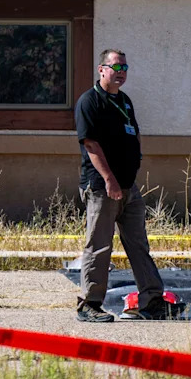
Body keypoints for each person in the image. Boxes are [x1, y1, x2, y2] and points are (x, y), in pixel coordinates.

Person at [73, 49, 170, 322]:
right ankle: (90, 304)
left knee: (138, 245)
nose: (121, 72)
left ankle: (152, 301)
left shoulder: (124, 101)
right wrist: (109, 179)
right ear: (101, 69)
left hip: (128, 187)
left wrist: (135, 159)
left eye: (125, 68)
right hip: (102, 187)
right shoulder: (89, 101)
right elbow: (91, 144)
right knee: (99, 246)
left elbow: (134, 132)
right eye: (116, 67)